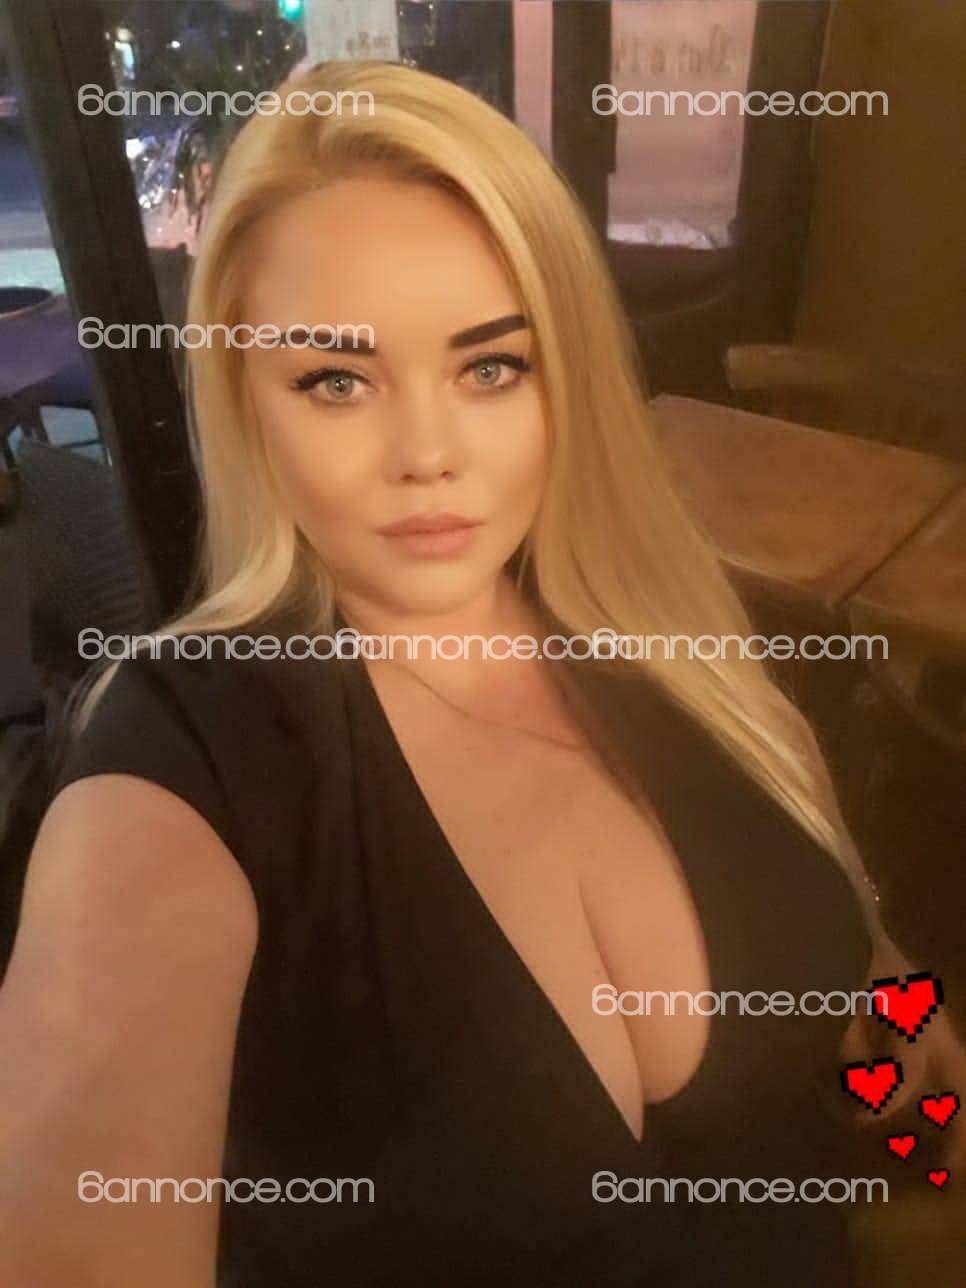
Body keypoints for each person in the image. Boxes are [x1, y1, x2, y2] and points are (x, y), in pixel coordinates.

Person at [0, 60, 962, 1287]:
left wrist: (903, 1019)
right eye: (336, 381)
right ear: (248, 407)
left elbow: (839, 941)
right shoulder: (185, 759)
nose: (428, 453)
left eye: (491, 366)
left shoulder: (662, 631)